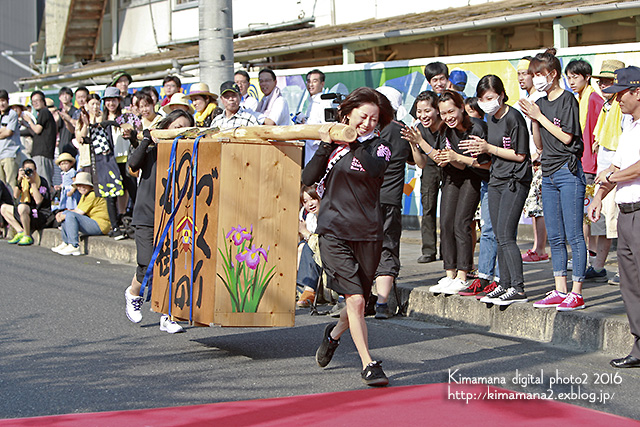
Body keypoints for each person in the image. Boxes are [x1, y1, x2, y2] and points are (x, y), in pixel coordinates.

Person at [303, 87, 394, 386]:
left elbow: (373, 168)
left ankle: (332, 335)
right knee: (354, 299)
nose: (367, 123)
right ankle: (369, 364)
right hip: (333, 232)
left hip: (367, 233)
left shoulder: (380, 147)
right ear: (347, 114)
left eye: (373, 119)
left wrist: (352, 140)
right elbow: (307, 178)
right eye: (362, 117)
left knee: (359, 302)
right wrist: (326, 144)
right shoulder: (333, 147)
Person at [519, 48, 587, 311]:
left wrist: (539, 117)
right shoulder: (541, 104)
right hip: (547, 172)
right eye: (533, 74)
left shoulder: (568, 100)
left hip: (568, 172)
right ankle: (560, 289)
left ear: (553, 74)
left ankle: (576, 291)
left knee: (573, 234)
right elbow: (539, 144)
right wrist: (533, 120)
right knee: (555, 236)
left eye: (539, 74)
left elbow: (567, 137)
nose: (535, 79)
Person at [460, 75, 532, 305]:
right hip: (497, 178)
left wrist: (489, 147)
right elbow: (491, 150)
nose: (487, 102)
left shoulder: (514, 118)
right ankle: (504, 284)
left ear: (501, 95)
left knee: (506, 235)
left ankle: (517, 288)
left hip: (515, 180)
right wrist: (479, 150)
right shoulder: (491, 118)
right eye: (482, 99)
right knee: (497, 234)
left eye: (490, 97)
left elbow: (520, 155)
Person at [124, 110, 195, 334]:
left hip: (175, 215)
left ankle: (168, 315)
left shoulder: (190, 152)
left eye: (186, 127)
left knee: (173, 265)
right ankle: (133, 293)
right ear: (167, 125)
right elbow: (133, 165)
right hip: (146, 214)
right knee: (147, 264)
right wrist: (147, 138)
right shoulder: (152, 148)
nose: (181, 131)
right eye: (177, 126)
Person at [588, 65, 640, 368]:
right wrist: (598, 196)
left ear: (637, 91)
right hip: (626, 212)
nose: (616, 99)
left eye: (620, 93)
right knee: (630, 283)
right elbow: (613, 170)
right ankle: (638, 345)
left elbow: (630, 169)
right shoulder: (629, 127)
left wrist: (615, 174)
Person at [428, 90, 490, 295]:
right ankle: (450, 273)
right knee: (445, 223)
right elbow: (442, 156)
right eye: (443, 113)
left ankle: (464, 274)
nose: (448, 117)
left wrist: (456, 157)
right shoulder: (444, 129)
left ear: (462, 107)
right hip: (452, 177)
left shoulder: (477, 127)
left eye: (451, 111)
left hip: (473, 178)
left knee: (461, 224)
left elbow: (482, 164)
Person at [372, 86, 426, 319]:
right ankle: (382, 305)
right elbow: (418, 163)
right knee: (387, 246)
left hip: (364, 199)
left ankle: (356, 301)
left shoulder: (367, 128)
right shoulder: (403, 131)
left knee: (362, 248)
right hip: (391, 199)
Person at [565, 59, 604, 271]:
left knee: (585, 215)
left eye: (575, 77)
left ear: (586, 77)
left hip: (590, 164)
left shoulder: (594, 99)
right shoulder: (579, 98)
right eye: (569, 77)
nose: (571, 81)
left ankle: (586, 258)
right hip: (581, 161)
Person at [591, 59, 627, 285]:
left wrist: (612, 172)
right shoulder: (608, 107)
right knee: (603, 223)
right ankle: (598, 266)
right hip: (604, 173)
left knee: (618, 226)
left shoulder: (622, 109)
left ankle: (625, 270)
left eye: (609, 82)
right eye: (602, 82)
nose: (604, 86)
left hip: (616, 174)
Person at [517, 56, 550, 264]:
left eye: (526, 73)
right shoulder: (523, 99)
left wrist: (540, 152)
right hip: (527, 159)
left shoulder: (540, 99)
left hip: (539, 159)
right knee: (533, 207)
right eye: (519, 74)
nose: (522, 78)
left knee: (539, 207)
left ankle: (540, 248)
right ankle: (536, 247)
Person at [402, 91, 442, 265]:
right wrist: (413, 144)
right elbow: (421, 163)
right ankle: (429, 250)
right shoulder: (419, 129)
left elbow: (442, 156)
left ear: (437, 110)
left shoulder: (446, 127)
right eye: (419, 111)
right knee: (428, 208)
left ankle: (448, 252)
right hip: (430, 168)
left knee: (449, 213)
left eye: (427, 111)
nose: (423, 115)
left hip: (451, 167)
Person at [51, 172, 110, 256]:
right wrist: (62, 214)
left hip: (100, 225)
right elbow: (76, 210)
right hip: (92, 222)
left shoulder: (92, 194)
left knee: (69, 215)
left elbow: (79, 212)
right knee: (67, 213)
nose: (81, 188)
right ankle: (66, 242)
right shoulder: (85, 194)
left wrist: (62, 215)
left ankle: (74, 245)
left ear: (90, 185)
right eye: (78, 185)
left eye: (84, 185)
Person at [1, 159, 52, 246]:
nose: (29, 172)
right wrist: (18, 180)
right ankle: (20, 231)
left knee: (22, 207)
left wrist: (33, 183)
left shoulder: (41, 181)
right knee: (4, 208)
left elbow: (39, 201)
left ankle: (27, 235)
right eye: (27, 170)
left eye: (31, 170)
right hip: (25, 213)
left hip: (40, 214)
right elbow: (16, 196)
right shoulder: (23, 180)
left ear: (35, 170)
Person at [297, 69, 332, 165]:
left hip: (318, 152)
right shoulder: (311, 102)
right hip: (309, 151)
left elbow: (327, 126)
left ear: (322, 84)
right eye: (308, 81)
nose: (310, 84)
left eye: (315, 81)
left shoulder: (324, 102)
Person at [22, 91, 56, 188]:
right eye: (33, 101)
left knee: (42, 181)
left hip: (42, 153)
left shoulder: (44, 112)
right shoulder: (44, 114)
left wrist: (29, 121)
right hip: (42, 153)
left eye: (38, 100)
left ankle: (45, 201)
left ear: (43, 101)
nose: (35, 103)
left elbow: (37, 130)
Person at [296, 184, 322, 308]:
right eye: (305, 201)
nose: (309, 204)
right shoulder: (309, 217)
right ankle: (299, 289)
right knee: (300, 248)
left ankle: (309, 290)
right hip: (314, 246)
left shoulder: (328, 214)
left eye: (313, 199)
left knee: (306, 247)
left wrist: (305, 232)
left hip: (327, 249)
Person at [75, 93, 102, 174]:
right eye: (92, 104)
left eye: (97, 104)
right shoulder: (81, 120)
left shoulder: (102, 118)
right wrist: (86, 125)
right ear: (87, 104)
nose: (95, 106)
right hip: (86, 159)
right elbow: (80, 139)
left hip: (100, 159)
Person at [0, 89, 21, 188]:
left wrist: (5, 131)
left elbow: (8, 132)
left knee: (11, 183)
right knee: (1, 184)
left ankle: (13, 202)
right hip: (0, 153)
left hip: (10, 153)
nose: (1, 103)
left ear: (8, 101)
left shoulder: (12, 114)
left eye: (3, 100)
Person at [56, 87, 78, 157]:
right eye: (62, 95)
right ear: (59, 97)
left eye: (67, 94)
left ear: (71, 97)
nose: (65, 97)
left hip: (73, 143)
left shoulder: (76, 111)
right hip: (62, 143)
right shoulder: (58, 112)